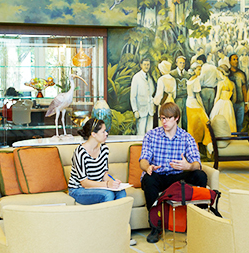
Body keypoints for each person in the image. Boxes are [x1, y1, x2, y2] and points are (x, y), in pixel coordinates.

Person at [139, 102, 207, 243]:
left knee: (201, 175)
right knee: (148, 178)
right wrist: (148, 167)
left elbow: (197, 164)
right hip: (159, 176)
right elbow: (143, 159)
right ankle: (155, 227)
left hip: (178, 177)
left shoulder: (186, 137)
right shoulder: (151, 135)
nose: (164, 122)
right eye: (162, 118)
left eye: (168, 118)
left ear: (176, 118)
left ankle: (199, 222)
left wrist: (187, 166)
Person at [68, 118, 137, 246]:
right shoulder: (80, 152)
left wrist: (112, 181)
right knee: (108, 195)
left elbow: (104, 173)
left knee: (120, 192)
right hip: (78, 190)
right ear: (93, 134)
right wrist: (107, 185)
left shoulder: (104, 149)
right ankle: (106, 236)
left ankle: (123, 234)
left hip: (97, 186)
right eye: (104, 131)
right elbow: (84, 183)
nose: (106, 134)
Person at [186, 62, 211, 147]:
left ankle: (197, 146)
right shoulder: (196, 80)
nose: (200, 71)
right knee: (206, 123)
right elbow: (198, 96)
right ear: (194, 70)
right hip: (194, 104)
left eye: (201, 69)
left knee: (193, 126)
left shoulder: (190, 79)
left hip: (188, 103)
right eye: (198, 69)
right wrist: (202, 107)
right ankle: (207, 144)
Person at [130, 58, 155, 135]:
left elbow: (151, 93)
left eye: (148, 65)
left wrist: (153, 106)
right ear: (141, 65)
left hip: (150, 110)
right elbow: (133, 96)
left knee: (149, 132)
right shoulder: (136, 77)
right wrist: (135, 110)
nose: (146, 66)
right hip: (141, 110)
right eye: (145, 65)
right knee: (141, 133)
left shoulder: (150, 78)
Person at [210, 64, 236, 132]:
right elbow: (234, 98)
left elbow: (217, 97)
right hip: (229, 104)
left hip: (221, 103)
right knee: (229, 122)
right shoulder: (232, 84)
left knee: (218, 123)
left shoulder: (221, 83)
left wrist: (214, 107)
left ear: (222, 72)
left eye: (219, 73)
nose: (218, 75)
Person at [228, 54, 248, 132]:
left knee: (240, 124)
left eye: (237, 59)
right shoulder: (227, 74)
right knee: (231, 124)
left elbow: (244, 89)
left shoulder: (242, 74)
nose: (236, 61)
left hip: (240, 103)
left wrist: (246, 103)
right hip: (230, 103)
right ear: (229, 61)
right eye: (234, 59)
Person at [153, 60, 176, 125]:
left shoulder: (161, 79)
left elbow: (159, 94)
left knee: (163, 122)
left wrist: (155, 102)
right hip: (171, 101)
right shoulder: (173, 79)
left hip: (164, 101)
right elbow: (174, 94)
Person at [170, 56, 190, 130]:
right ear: (176, 63)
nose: (182, 65)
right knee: (177, 118)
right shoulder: (172, 74)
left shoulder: (188, 75)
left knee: (185, 118)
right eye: (180, 63)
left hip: (185, 98)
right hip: (177, 99)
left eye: (183, 63)